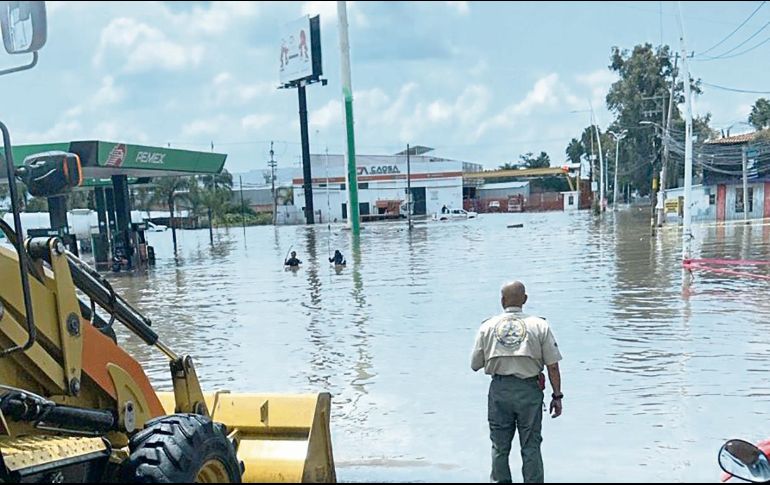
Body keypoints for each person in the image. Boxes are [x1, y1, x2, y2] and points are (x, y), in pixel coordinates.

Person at [471, 281, 563, 484]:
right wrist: (557, 396)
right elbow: (553, 366)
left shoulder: (487, 326)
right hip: (529, 390)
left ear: (502, 300)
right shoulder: (539, 325)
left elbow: (475, 364)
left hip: (500, 390)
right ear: (525, 299)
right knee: (531, 446)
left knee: (499, 446)